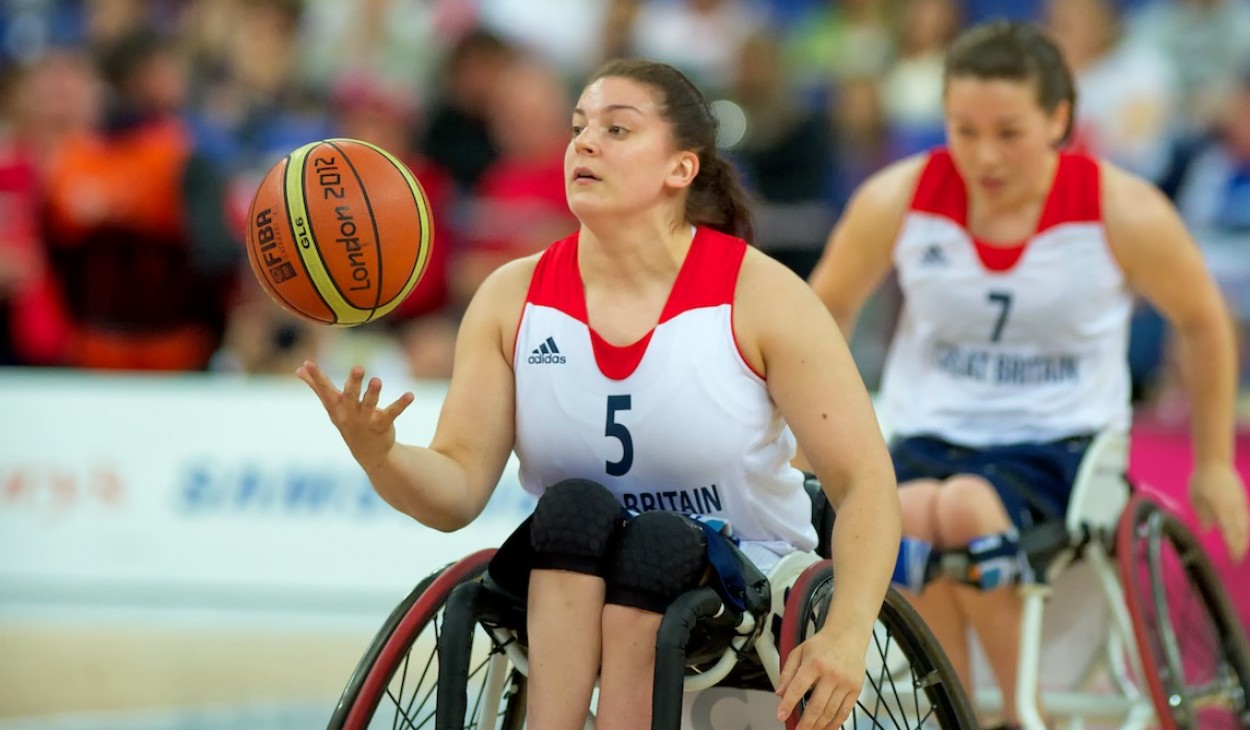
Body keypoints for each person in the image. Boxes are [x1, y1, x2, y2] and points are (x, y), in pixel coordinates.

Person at [298, 58, 901, 729]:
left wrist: (847, 634)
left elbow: (866, 483)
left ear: (681, 168)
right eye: (580, 127)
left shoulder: (761, 295)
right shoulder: (511, 298)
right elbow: (455, 493)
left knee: (658, 543)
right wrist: (381, 454)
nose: (584, 143)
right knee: (574, 509)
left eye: (617, 130)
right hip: (571, 574)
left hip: (742, 588)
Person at [808, 20, 1250, 730]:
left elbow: (1203, 321)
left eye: (1008, 132)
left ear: (1059, 120)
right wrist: (809, 436)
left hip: (1058, 441)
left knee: (965, 507)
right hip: (927, 429)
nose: (984, 155)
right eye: (964, 129)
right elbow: (818, 315)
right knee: (910, 510)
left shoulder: (1122, 209)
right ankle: (953, 708)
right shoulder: (898, 197)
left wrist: (1214, 463)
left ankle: (1021, 709)